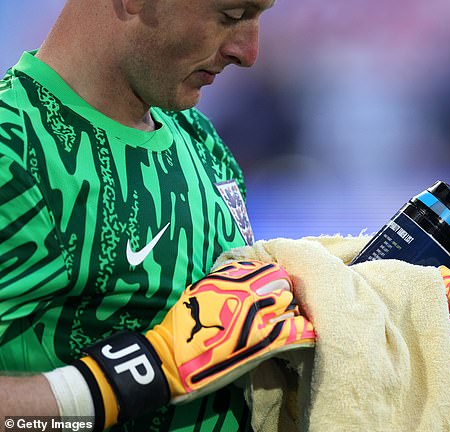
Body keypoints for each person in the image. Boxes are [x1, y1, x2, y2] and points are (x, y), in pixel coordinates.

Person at [0, 0, 317, 431]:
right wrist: (128, 378)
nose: (248, 52)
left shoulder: (199, 136)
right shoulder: (12, 151)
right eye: (232, 15)